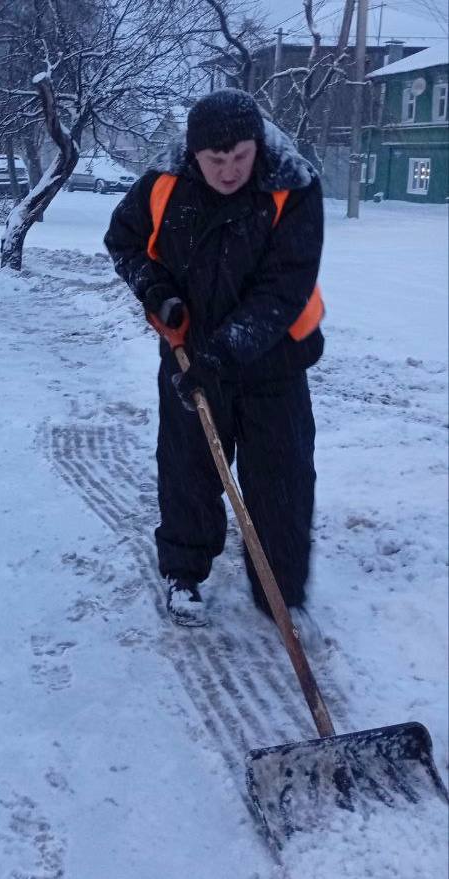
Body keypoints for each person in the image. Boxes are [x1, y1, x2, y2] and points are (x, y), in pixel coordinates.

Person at [104, 89, 325, 628]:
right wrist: (156, 292)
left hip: (275, 359)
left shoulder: (292, 185)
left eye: (240, 157)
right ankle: (184, 573)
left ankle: (281, 592)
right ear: (194, 153)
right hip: (188, 351)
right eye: (216, 160)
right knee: (188, 470)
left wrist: (224, 353)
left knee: (282, 475)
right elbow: (123, 242)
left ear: (257, 144)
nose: (229, 171)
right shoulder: (163, 183)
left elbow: (283, 289)